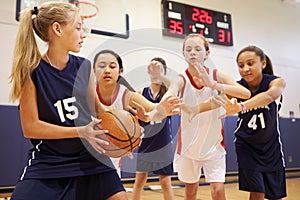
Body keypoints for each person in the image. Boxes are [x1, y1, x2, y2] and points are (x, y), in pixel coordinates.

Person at [8, 3, 142, 200]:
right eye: (78, 27)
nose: (84, 34)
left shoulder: (84, 67)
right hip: (49, 161)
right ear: (57, 29)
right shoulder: (32, 71)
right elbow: (31, 127)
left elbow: (98, 110)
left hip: (89, 157)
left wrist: (129, 126)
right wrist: (80, 131)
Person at [160, 33, 251, 200]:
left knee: (217, 191)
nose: (192, 52)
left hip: (214, 146)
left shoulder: (217, 75)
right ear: (183, 54)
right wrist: (158, 108)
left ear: (207, 53)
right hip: (188, 147)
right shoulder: (181, 78)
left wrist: (213, 84)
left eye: (197, 49)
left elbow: (245, 93)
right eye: (188, 49)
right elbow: (170, 92)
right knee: (191, 191)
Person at [93, 50, 181, 175]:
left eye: (112, 66)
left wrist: (160, 111)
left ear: (120, 71)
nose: (107, 70)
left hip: (112, 159)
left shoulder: (126, 95)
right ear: (93, 70)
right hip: (85, 156)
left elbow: (154, 110)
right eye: (102, 66)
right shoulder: (85, 91)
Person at [222, 45, 287, 200]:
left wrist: (242, 106)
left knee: (275, 195)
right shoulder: (237, 87)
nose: (245, 69)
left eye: (250, 63)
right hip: (246, 146)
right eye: (241, 65)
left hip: (271, 148)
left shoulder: (276, 82)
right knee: (257, 192)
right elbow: (218, 98)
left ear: (263, 63)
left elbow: (269, 96)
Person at [132, 57, 175, 200]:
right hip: (146, 142)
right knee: (139, 180)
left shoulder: (168, 92)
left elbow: (176, 88)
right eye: (153, 70)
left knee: (165, 182)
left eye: (160, 70)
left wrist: (161, 75)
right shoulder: (140, 92)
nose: (155, 73)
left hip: (163, 143)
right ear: (148, 72)